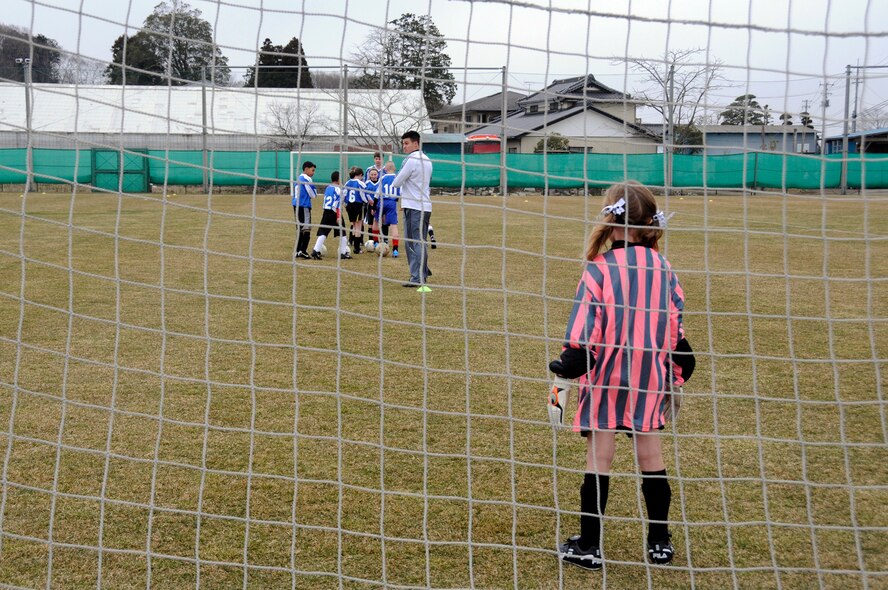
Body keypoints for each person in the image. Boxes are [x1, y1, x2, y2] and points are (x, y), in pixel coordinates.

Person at [550, 182, 695, 571]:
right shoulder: (664, 269)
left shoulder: (599, 269)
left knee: (601, 456)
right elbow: (674, 326)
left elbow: (585, 329)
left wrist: (568, 364)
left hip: (608, 375)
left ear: (612, 219)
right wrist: (679, 367)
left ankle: (590, 546)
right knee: (651, 455)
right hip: (649, 376)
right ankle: (659, 542)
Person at [391, 130, 433, 288]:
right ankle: (423, 270)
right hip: (425, 205)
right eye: (403, 143)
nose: (404, 146)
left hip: (413, 206)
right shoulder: (428, 160)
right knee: (421, 240)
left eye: (407, 143)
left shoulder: (411, 160)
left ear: (416, 143)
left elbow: (397, 182)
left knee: (412, 242)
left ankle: (417, 277)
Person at [310, 171, 352, 260]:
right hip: (334, 212)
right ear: (338, 179)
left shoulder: (328, 188)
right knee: (343, 234)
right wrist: (338, 216)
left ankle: (315, 250)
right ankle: (343, 253)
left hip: (326, 211)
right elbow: (336, 204)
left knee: (323, 232)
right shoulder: (338, 189)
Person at [377, 161, 401, 257]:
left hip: (382, 202)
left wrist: (375, 206)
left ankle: (382, 242)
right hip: (392, 202)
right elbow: (402, 191)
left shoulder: (382, 178)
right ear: (394, 169)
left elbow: (377, 192)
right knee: (394, 226)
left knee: (381, 222)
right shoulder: (398, 178)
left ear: (385, 169)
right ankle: (395, 250)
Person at [293, 161, 317, 259]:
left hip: (296, 205)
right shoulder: (307, 178)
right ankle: (303, 251)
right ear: (306, 169)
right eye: (312, 170)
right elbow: (313, 194)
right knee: (306, 229)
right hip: (304, 206)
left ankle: (297, 251)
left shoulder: (298, 178)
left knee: (300, 229)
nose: (313, 172)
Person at [343, 167, 367, 254]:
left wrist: (344, 203)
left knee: (354, 224)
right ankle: (357, 248)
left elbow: (344, 193)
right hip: (357, 205)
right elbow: (362, 194)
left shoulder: (347, 183)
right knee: (358, 226)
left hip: (349, 205)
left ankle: (352, 241)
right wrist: (367, 201)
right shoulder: (361, 183)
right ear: (360, 175)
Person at [364, 167, 381, 246]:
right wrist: (370, 200)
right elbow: (365, 193)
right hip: (370, 206)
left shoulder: (380, 183)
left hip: (379, 206)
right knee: (370, 223)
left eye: (375, 174)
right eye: (372, 174)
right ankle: (371, 241)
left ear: (378, 175)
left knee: (380, 223)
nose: (374, 176)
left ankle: (383, 239)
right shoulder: (367, 183)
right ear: (369, 175)